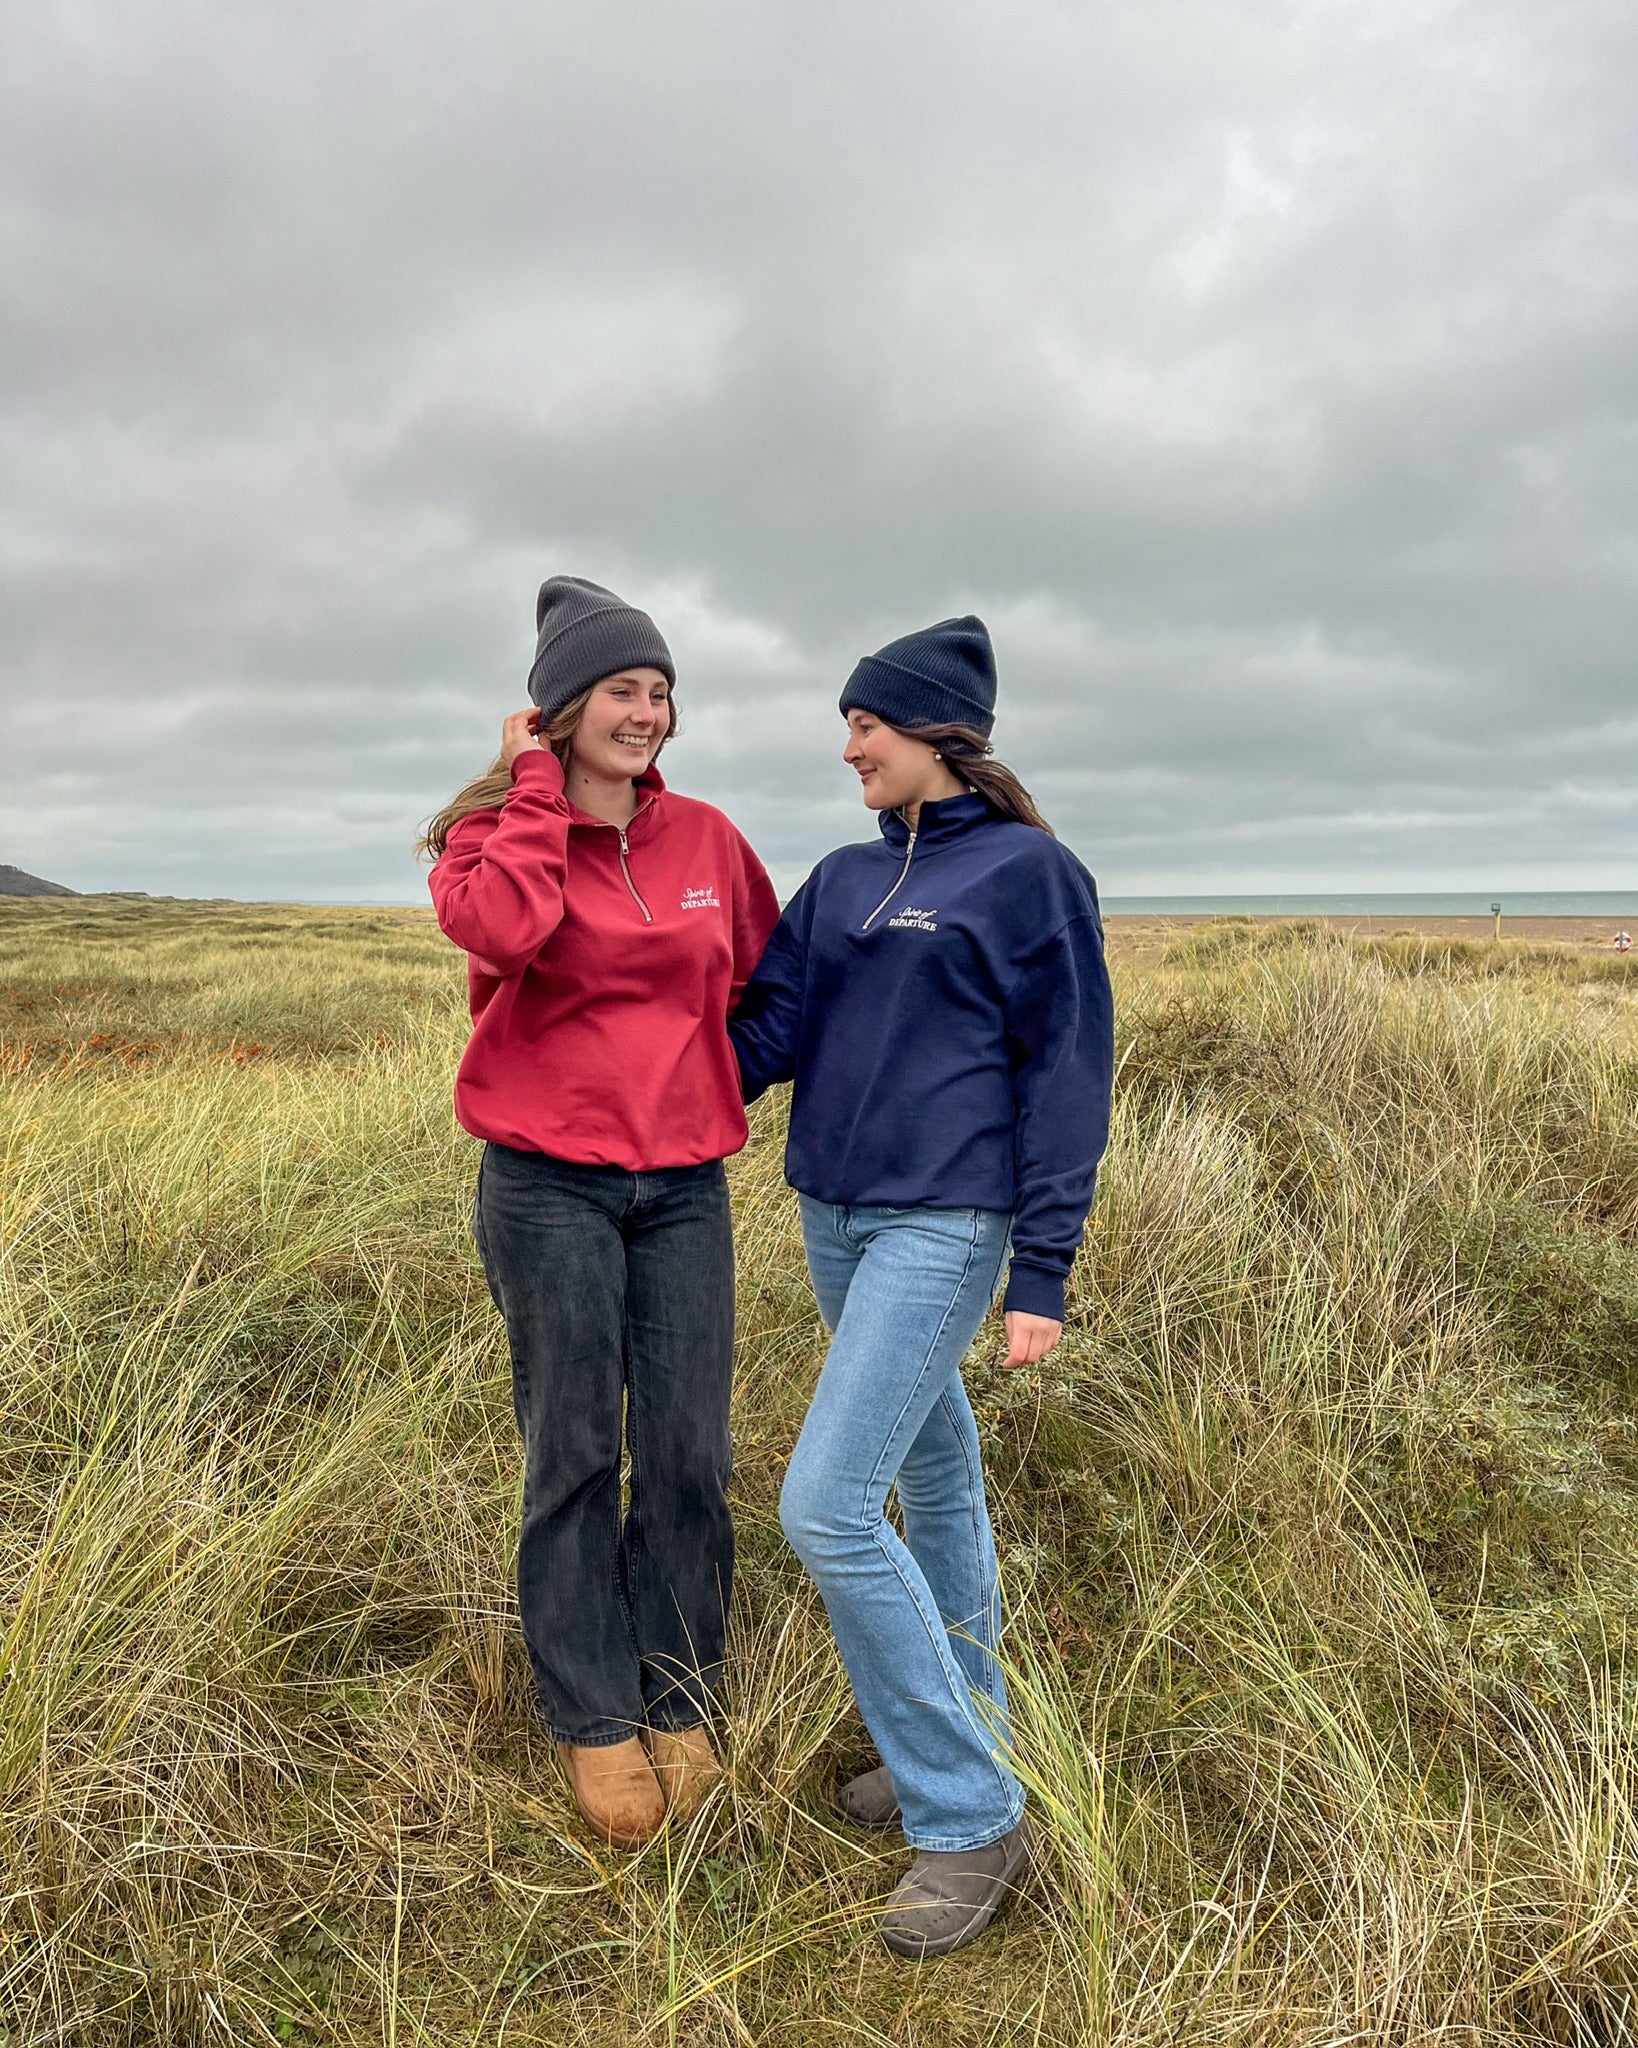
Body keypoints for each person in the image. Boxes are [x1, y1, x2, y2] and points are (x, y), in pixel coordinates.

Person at [730, 616, 1114, 1957]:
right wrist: (633, 1057)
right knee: (935, 1471)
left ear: (936, 732)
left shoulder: (1028, 874)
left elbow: (1065, 1076)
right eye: (845, 724)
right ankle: (964, 1726)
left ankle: (968, 1814)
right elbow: (770, 1029)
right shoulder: (841, 877)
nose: (847, 747)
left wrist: (1041, 1270)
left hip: (945, 1225)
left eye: (865, 725)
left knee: (826, 1506)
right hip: (832, 1215)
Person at [423, 576, 779, 1851]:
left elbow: (768, 985)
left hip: (683, 1189)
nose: (649, 711)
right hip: (547, 1186)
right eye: (623, 688)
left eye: (661, 690)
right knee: (572, 1447)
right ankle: (593, 1714)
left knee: (688, 1450)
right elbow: (503, 932)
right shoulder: (491, 841)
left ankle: (677, 1693)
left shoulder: (710, 841)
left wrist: (712, 1081)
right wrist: (532, 791)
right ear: (562, 707)